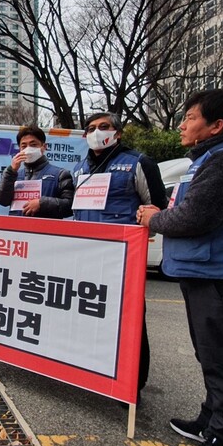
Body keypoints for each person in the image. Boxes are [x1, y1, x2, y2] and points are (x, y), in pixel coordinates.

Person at [136, 89, 223, 446]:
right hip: (208, 272)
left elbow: (195, 218)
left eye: (190, 117)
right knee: (211, 354)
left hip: (222, 274)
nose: (182, 124)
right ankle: (210, 421)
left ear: (216, 125)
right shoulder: (211, 158)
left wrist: (154, 219)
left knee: (220, 358)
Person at [72, 113, 167, 403]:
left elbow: (157, 206)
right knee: (91, 316)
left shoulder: (138, 163)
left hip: (122, 259)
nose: (97, 132)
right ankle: (95, 373)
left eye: (104, 127)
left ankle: (131, 385)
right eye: (91, 128)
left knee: (130, 320)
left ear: (118, 133)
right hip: (86, 256)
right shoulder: (79, 168)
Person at [0, 125, 74, 218]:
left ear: (44, 147)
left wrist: (42, 204)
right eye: (24, 146)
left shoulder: (60, 174)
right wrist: (11, 171)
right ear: (19, 149)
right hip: (17, 229)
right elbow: (2, 200)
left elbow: (70, 206)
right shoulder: (13, 175)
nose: (28, 149)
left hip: (45, 230)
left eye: (33, 145)